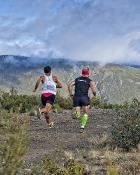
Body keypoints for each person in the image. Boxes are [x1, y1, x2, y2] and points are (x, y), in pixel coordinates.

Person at [68, 68, 96, 132]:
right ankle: (82, 127)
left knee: (77, 113)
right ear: (88, 74)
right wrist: (94, 95)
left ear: (82, 73)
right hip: (84, 98)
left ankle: (76, 114)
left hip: (76, 97)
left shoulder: (77, 79)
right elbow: (94, 90)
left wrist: (70, 94)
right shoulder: (89, 80)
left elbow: (70, 85)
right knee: (86, 113)